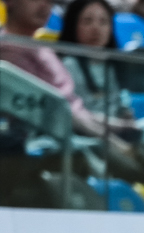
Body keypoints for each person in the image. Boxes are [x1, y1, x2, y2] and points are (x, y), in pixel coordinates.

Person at [1, 0, 108, 135]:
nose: (45, 5)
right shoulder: (6, 52)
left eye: (50, 1)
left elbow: (74, 109)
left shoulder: (42, 48)